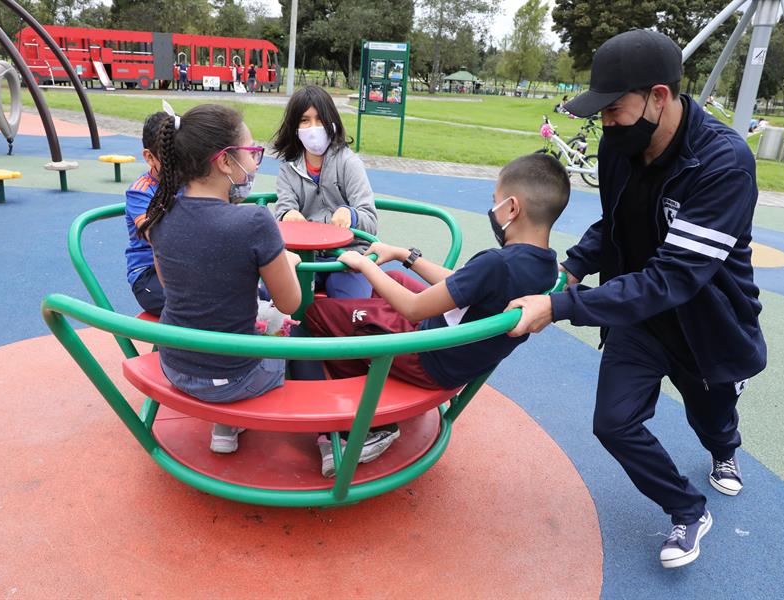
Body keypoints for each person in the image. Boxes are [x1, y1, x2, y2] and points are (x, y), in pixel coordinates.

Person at [506, 30, 766, 569]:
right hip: (637, 319)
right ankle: (687, 509)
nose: (605, 124)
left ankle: (724, 451)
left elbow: (674, 279)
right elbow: (614, 224)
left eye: (614, 110)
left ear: (659, 97)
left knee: (712, 419)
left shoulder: (723, 164)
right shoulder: (619, 148)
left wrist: (560, 307)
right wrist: (572, 268)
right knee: (614, 422)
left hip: (703, 323)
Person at [304, 152, 570, 476]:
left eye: (495, 201)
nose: (493, 210)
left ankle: (369, 427)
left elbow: (413, 308)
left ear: (512, 208)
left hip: (429, 357)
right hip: (457, 351)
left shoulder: (496, 263)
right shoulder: (546, 267)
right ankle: (371, 354)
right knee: (394, 282)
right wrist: (404, 255)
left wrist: (362, 265)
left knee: (319, 313)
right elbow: (463, 286)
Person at [136, 103, 302, 454]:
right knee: (297, 334)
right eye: (253, 153)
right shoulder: (254, 221)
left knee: (245, 319)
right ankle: (328, 438)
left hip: (175, 367)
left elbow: (171, 287)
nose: (256, 163)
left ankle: (226, 427)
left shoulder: (159, 215)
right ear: (225, 161)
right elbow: (290, 303)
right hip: (237, 378)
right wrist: (289, 262)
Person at [270, 85, 378, 298]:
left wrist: (351, 214)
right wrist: (287, 215)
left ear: (332, 123)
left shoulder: (348, 163)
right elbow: (284, 209)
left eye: (320, 120)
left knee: (351, 306)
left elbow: (370, 220)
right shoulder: (289, 169)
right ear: (295, 127)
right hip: (306, 256)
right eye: (305, 120)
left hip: (347, 255)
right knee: (273, 295)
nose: (313, 127)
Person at [124, 111, 167, 316]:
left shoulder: (188, 184)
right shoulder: (140, 191)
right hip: (148, 275)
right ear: (150, 157)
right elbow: (156, 237)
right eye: (170, 158)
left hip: (182, 267)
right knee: (194, 302)